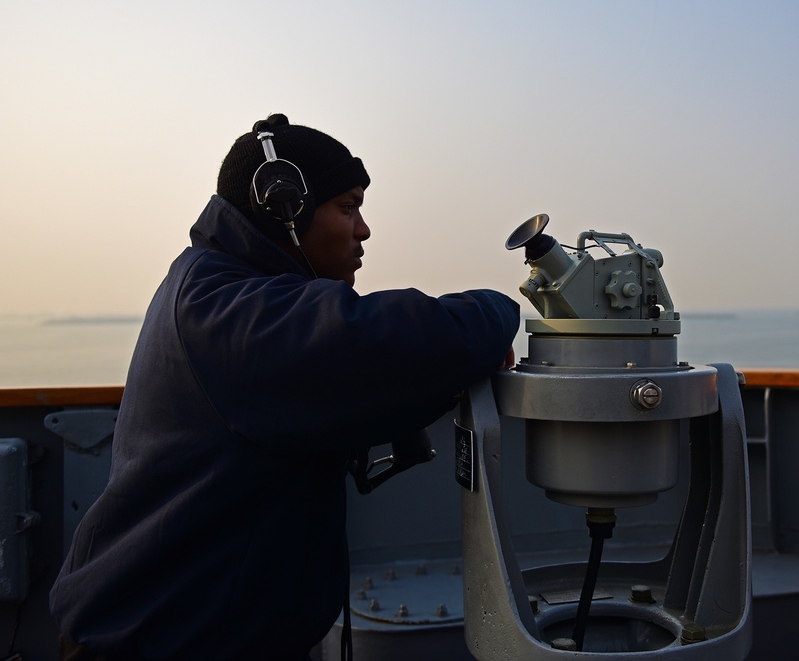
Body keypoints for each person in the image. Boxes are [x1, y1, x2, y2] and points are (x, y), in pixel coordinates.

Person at [49, 114, 520, 660]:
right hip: (152, 644)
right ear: (285, 209)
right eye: (347, 207)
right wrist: (497, 310)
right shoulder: (224, 309)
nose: (363, 229)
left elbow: (354, 365)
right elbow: (383, 338)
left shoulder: (218, 286)